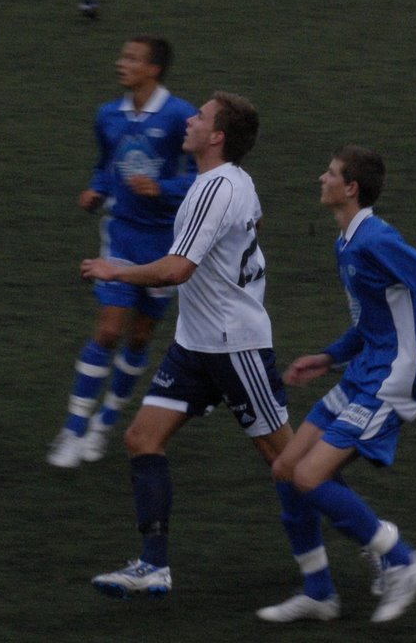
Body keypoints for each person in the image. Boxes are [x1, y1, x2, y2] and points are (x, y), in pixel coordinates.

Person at [257, 144, 416, 625]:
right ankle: (319, 593)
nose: (321, 178)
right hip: (363, 372)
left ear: (350, 188)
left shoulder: (376, 239)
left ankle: (403, 560)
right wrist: (328, 357)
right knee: (286, 469)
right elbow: (371, 324)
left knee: (310, 477)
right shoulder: (346, 243)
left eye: (330, 173)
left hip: (393, 379)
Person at [82, 92, 294, 599]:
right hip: (195, 343)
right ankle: (153, 566)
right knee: (142, 438)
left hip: (234, 345)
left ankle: (384, 547)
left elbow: (177, 269)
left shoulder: (213, 189)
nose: (190, 121)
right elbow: (255, 222)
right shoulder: (235, 182)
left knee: (290, 463)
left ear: (216, 136)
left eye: (200, 116)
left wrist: (116, 271)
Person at [48, 36, 198, 468]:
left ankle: (106, 421)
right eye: (123, 57)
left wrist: (162, 188)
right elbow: (106, 164)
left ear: (154, 69)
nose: (122, 64)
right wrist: (96, 188)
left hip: (167, 242)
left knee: (140, 337)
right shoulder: (107, 115)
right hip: (122, 234)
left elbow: (207, 176)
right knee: (109, 331)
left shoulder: (180, 116)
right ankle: (74, 428)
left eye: (132, 59)